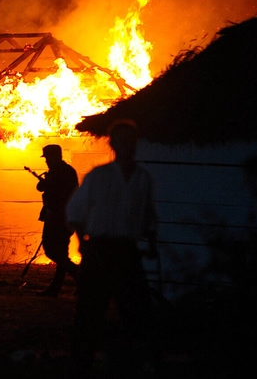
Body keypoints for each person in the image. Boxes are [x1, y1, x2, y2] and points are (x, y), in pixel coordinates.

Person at [67, 119, 158, 378]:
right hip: (99, 250)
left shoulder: (143, 179)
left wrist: (150, 241)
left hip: (127, 251)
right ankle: (80, 365)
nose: (127, 146)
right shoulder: (99, 177)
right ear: (112, 144)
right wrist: (83, 242)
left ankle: (129, 362)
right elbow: (75, 212)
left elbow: (148, 213)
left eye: (131, 141)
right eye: (122, 141)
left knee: (135, 311)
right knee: (90, 312)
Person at [34, 144, 80, 297]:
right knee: (60, 253)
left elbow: (60, 196)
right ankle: (55, 288)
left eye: (47, 157)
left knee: (52, 250)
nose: (46, 161)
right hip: (59, 217)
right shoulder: (61, 171)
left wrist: (47, 186)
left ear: (53, 157)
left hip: (59, 218)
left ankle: (81, 277)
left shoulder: (62, 173)